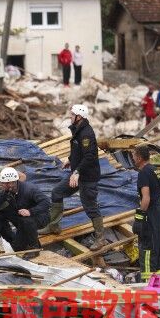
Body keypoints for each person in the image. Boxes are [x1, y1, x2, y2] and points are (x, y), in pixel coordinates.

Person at [39, 104, 104, 250]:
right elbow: (78, 150)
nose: (70, 117)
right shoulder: (78, 129)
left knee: (90, 206)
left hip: (87, 177)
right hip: (77, 174)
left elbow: (90, 157)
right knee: (57, 192)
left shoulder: (86, 133)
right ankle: (53, 226)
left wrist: (77, 172)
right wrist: (70, 159)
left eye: (72, 115)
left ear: (79, 117)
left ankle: (100, 238)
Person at [131, 145, 160, 281]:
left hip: (153, 214)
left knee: (148, 249)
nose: (132, 158)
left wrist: (139, 218)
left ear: (139, 158)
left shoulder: (143, 172)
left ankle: (148, 284)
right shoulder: (156, 170)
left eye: (133, 155)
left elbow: (146, 198)